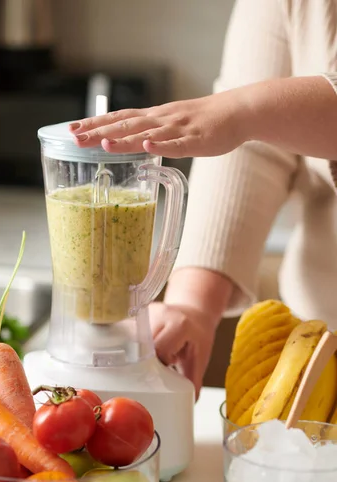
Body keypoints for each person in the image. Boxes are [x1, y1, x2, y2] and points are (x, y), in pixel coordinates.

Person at [71, 0, 337, 398]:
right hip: (322, 332)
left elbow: (247, 115)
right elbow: (252, 144)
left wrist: (243, 111)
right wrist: (193, 306)